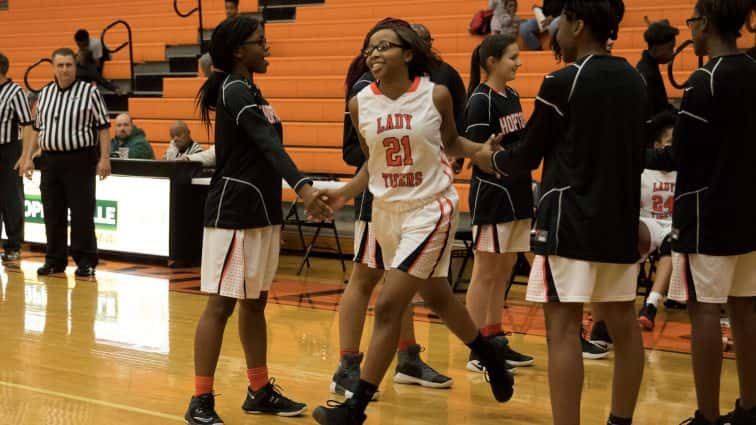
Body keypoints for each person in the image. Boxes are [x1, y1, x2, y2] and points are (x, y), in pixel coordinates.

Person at [312, 19, 513, 425]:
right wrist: (345, 192)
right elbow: (373, 163)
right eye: (369, 48)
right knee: (438, 296)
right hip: (387, 213)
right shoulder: (360, 103)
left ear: (407, 53)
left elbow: (452, 142)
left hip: (430, 209)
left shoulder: (434, 95)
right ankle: (489, 352)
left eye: (384, 46)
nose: (374, 53)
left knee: (388, 304)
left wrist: (483, 153)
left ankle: (356, 407)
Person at [473, 0, 648, 423]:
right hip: (619, 220)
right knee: (624, 325)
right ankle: (619, 420)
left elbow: (528, 153)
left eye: (560, 22)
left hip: (568, 222)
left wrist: (492, 159)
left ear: (580, 24)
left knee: (564, 328)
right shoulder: (634, 79)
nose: (553, 29)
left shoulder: (561, 81)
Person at [185, 16, 331, 424]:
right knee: (220, 306)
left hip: (260, 211)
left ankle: (259, 389)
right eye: (259, 42)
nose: (266, 48)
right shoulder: (234, 90)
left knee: (255, 304)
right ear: (238, 51)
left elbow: (266, 148)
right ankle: (200, 400)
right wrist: (303, 186)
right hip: (234, 212)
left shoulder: (250, 89)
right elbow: (268, 145)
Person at [330, 18, 453, 401]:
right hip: (380, 199)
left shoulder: (426, 92)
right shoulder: (366, 93)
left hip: (414, 199)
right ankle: (348, 365)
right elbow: (353, 151)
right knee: (364, 280)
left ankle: (407, 357)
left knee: (400, 284)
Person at [646, 0, 756, 423]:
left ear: (706, 23)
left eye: (692, 20)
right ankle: (749, 405)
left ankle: (707, 416)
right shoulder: (753, 70)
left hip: (706, 212)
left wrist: (636, 154)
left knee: (705, 309)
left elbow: (678, 154)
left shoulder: (703, 81)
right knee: (746, 308)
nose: (689, 28)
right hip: (748, 210)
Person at [463, 34, 535, 372]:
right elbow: (477, 154)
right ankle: (476, 347)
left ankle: (495, 338)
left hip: (518, 192)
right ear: (492, 62)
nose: (519, 63)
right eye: (512, 57)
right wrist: (501, 159)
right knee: (485, 272)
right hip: (493, 194)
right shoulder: (480, 100)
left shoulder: (514, 95)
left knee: (504, 269)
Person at [16, 48, 111, 277]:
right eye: (60, 65)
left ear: (75, 66)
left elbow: (104, 128)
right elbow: (38, 129)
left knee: (82, 212)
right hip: (50, 160)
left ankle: (85, 260)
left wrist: (104, 158)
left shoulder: (89, 92)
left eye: (69, 65)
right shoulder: (45, 94)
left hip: (80, 159)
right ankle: (54, 259)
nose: (65, 69)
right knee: (52, 211)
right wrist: (28, 157)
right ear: (53, 68)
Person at [636, 111, 677, 330]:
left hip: (674, 226)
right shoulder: (644, 169)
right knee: (629, 235)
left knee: (673, 241)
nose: (673, 148)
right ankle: (616, 302)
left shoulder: (686, 170)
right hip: (648, 222)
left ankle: (651, 304)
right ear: (657, 145)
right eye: (670, 143)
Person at [0, 52, 33, 263]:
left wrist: (25, 154)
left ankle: (13, 245)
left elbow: (28, 124)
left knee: (11, 198)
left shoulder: (15, 92)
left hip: (8, 149)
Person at [637, 20, 679, 117]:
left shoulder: (650, 67)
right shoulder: (647, 74)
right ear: (656, 47)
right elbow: (653, 115)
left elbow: (662, 106)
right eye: (670, 48)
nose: (672, 53)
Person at [199, 0, 241, 77]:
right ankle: (213, 82)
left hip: (232, 54)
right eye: (227, 8)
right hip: (220, 53)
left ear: (237, 9)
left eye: (231, 8)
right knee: (204, 60)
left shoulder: (241, 23)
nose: (228, 11)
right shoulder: (223, 23)